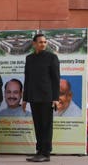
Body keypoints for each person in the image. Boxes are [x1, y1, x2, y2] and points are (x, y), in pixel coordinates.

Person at [23, 33, 60, 162]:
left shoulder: (52, 58)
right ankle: (39, 151)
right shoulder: (29, 58)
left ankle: (46, 153)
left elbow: (56, 79)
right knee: (38, 125)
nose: (43, 44)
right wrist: (25, 99)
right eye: (40, 42)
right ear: (34, 44)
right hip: (33, 97)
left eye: (44, 42)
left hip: (47, 97)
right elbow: (27, 79)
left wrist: (55, 98)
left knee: (46, 125)